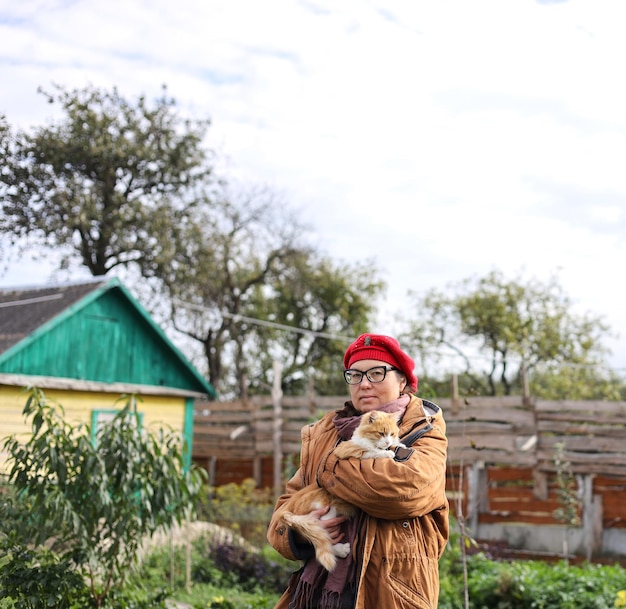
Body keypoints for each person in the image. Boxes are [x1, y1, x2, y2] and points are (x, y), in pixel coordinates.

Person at [267, 333, 449, 609]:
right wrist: (304, 532)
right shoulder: (323, 433)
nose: (364, 384)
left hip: (392, 595)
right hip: (316, 594)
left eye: (376, 373)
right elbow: (283, 514)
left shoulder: (424, 429)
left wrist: (330, 468)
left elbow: (402, 493)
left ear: (402, 381)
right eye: (355, 375)